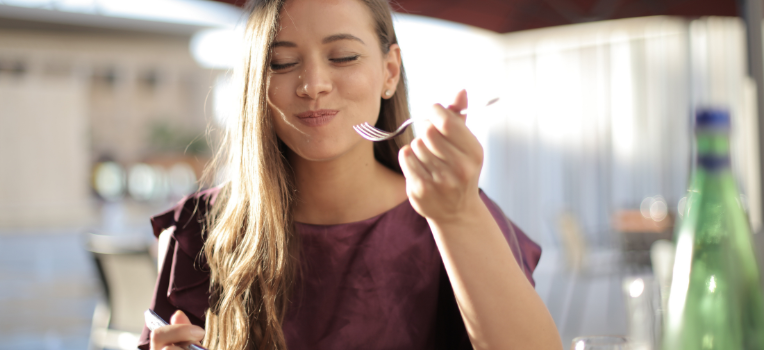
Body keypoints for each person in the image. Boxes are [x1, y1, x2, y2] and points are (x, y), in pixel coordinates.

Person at [139, 0, 561, 349]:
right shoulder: (202, 228)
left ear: (390, 72)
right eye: (282, 63)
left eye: (343, 56)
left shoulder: (454, 212)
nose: (313, 84)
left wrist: (458, 216)